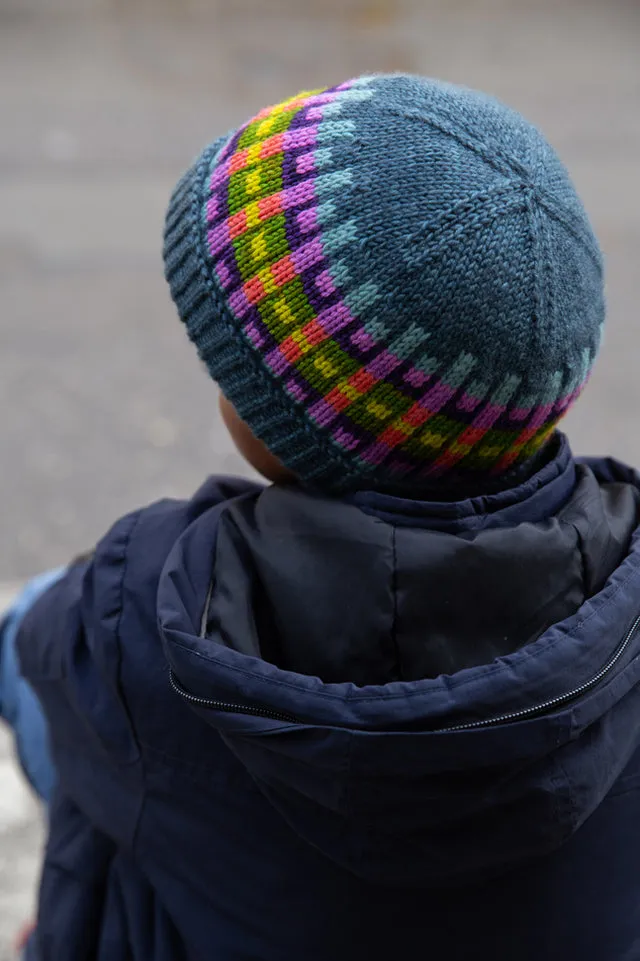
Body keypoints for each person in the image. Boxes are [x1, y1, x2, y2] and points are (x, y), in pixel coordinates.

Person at [2, 73, 640, 961]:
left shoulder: (141, 603)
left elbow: (42, 657)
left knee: (36, 644)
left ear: (299, 432)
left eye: (232, 364)